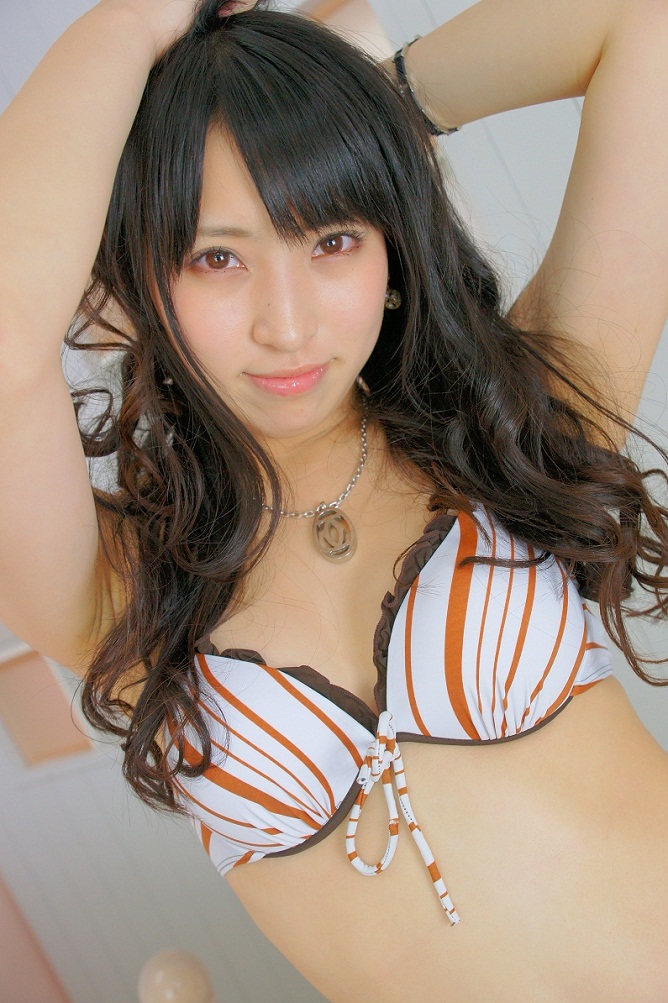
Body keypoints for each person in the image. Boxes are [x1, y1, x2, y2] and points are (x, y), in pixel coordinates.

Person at [1, 0, 668, 997]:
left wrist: (364, 121)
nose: (288, 323)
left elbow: (642, 30)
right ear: (145, 282)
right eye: (216, 256)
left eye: (332, 239)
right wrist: (143, 17)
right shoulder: (121, 594)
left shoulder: (510, 429)